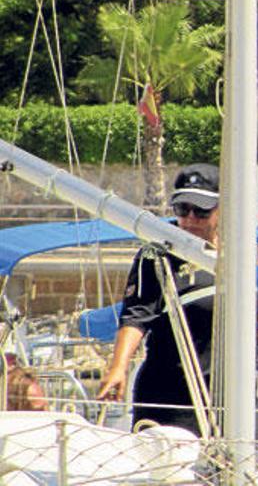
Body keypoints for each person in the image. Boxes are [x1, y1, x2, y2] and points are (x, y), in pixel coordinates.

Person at [97, 163, 221, 436]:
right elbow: (136, 315)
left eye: (201, 211)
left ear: (222, 211)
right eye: (182, 210)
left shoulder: (242, 255)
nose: (189, 219)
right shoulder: (157, 256)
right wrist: (118, 367)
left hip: (227, 395)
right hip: (172, 395)